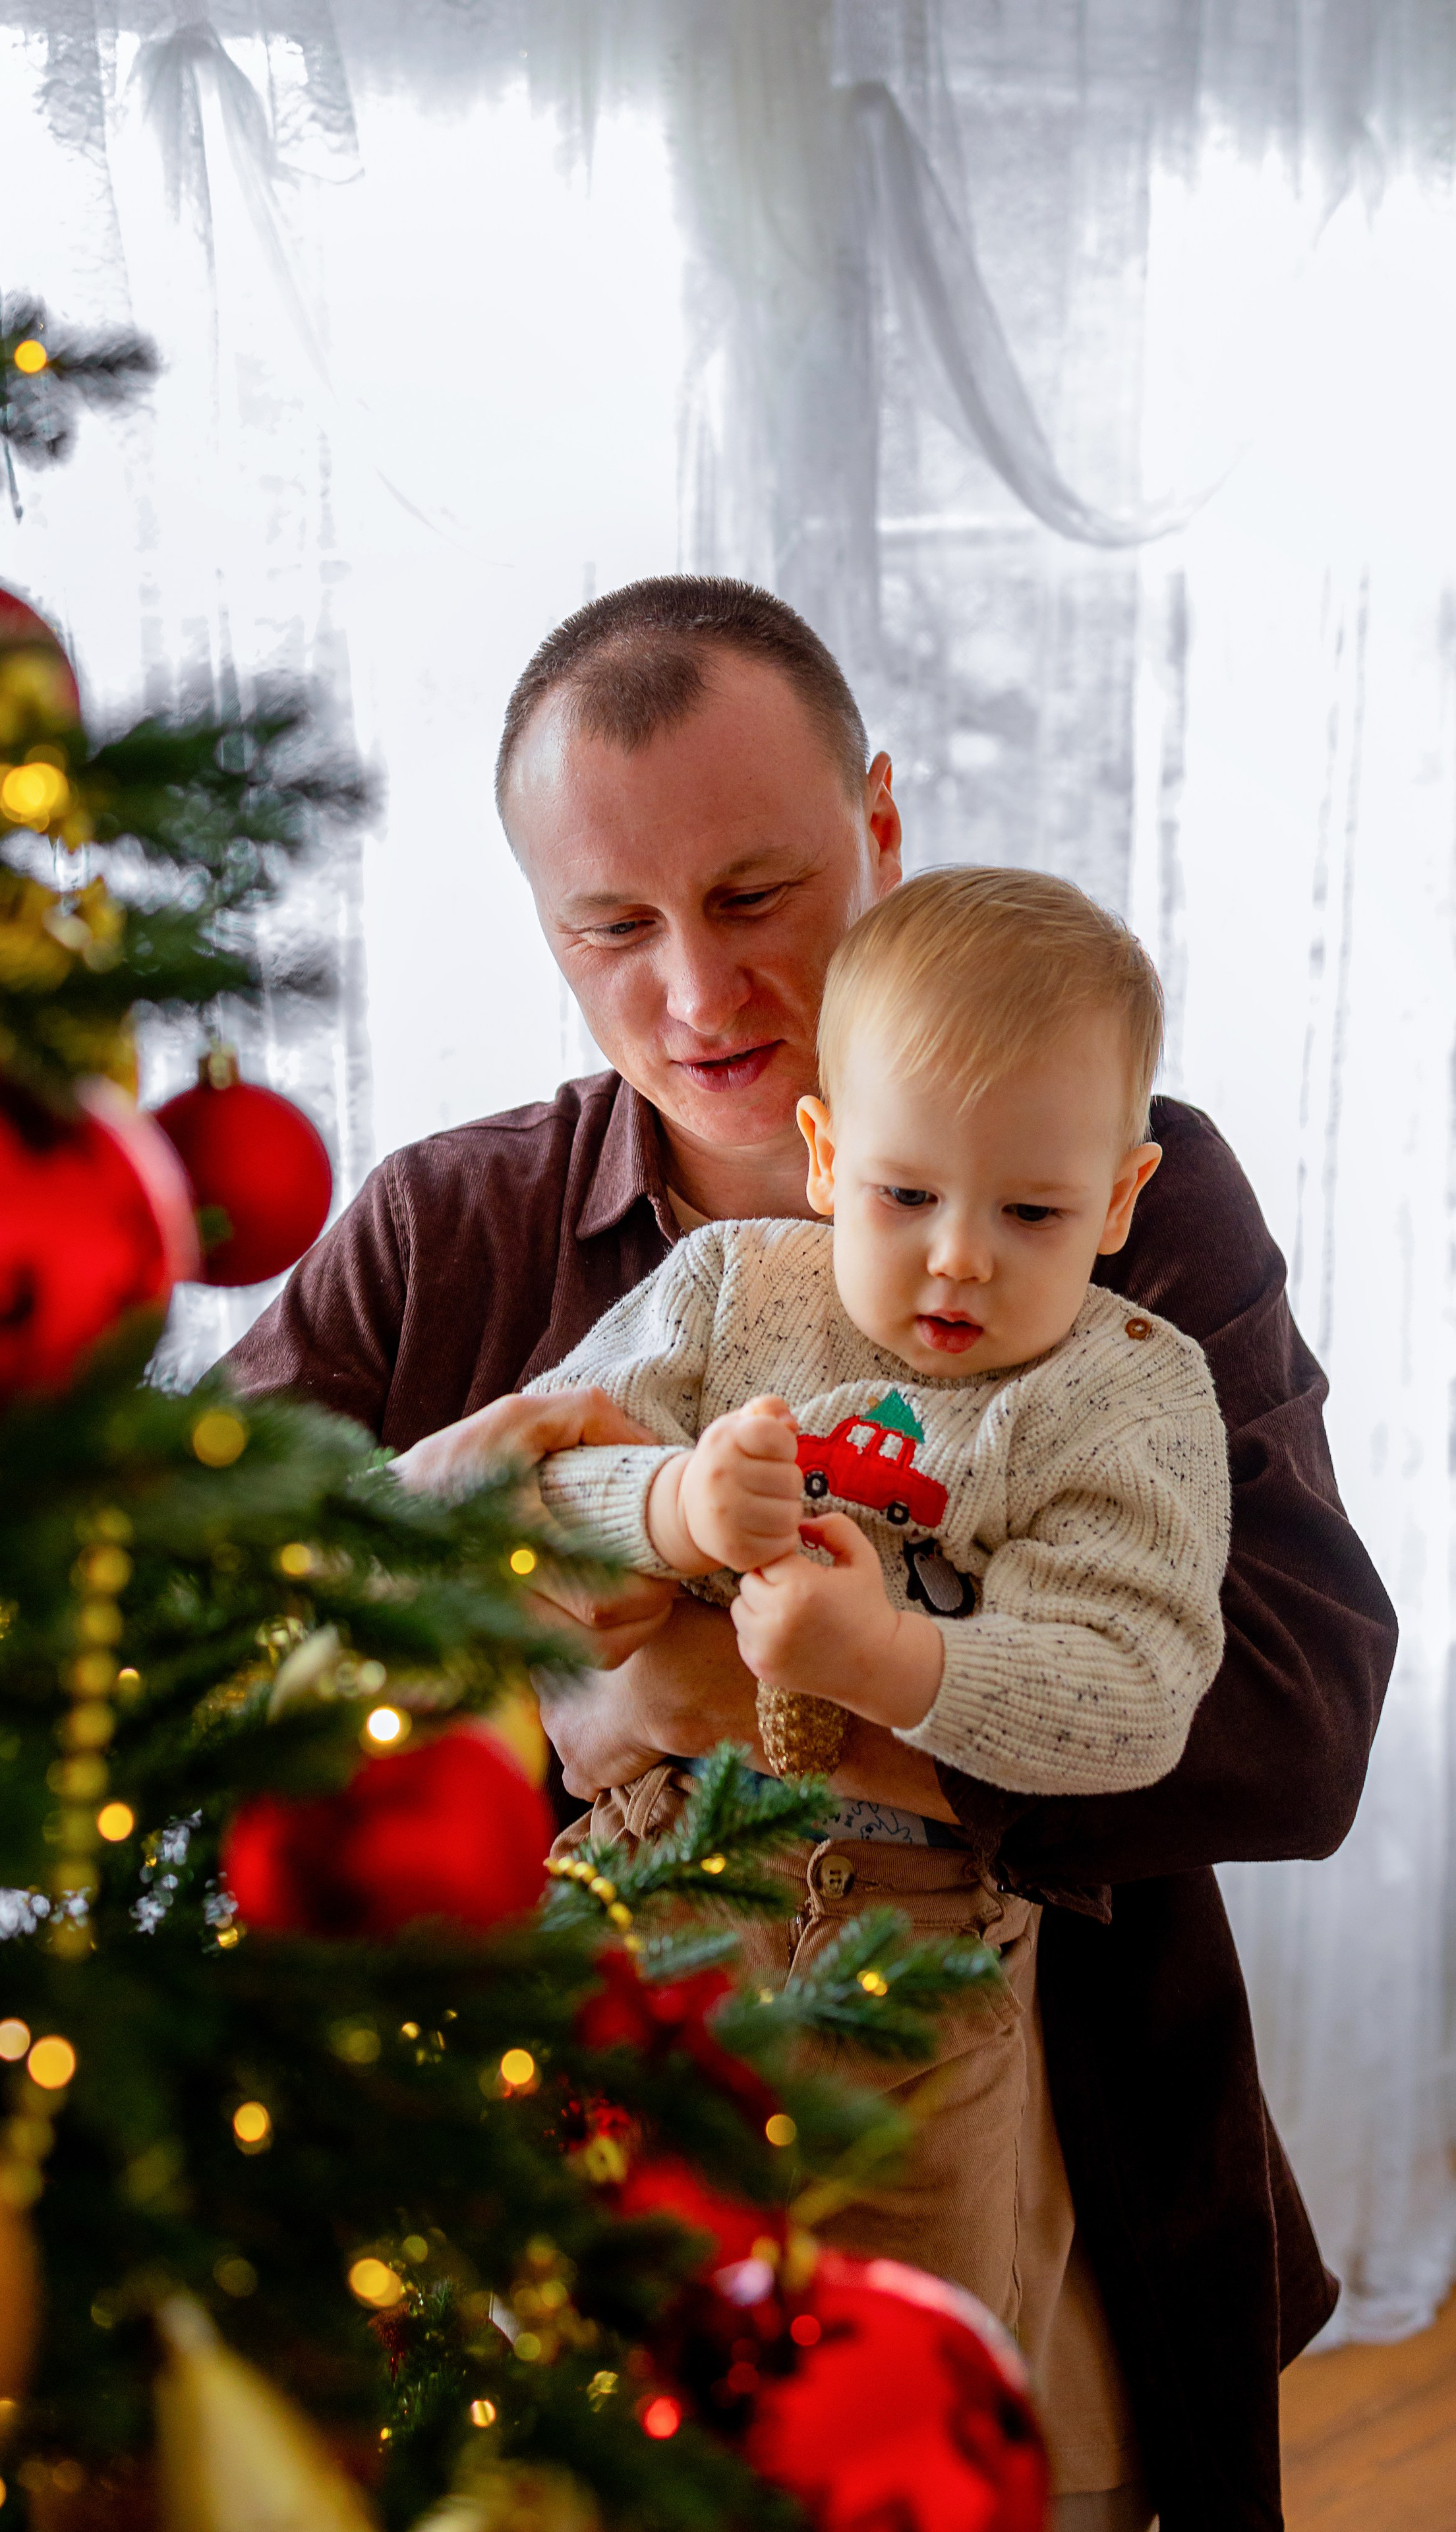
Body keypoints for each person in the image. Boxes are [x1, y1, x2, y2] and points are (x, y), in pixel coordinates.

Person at [225, 574, 1397, 2532]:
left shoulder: (1127, 1201)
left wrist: (843, 1708)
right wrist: (561, 1700)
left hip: (1055, 2170)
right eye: (613, 927)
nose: (697, 994)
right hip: (557, 2181)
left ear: (879, 827)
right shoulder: (444, 1234)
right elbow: (182, 1657)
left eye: (758, 895)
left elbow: (1303, 1721)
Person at [521, 867, 1233, 2351]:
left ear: (1115, 1199)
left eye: (1029, 1209)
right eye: (906, 1194)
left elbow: (1130, 1692)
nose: (958, 1253)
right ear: (825, 1152)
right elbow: (514, 1492)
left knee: (907, 2371)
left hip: (925, 1976)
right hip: (648, 1899)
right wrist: (669, 1506)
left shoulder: (1125, 1388)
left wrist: (894, 1660)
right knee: (583, 2331)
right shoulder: (724, 1291)